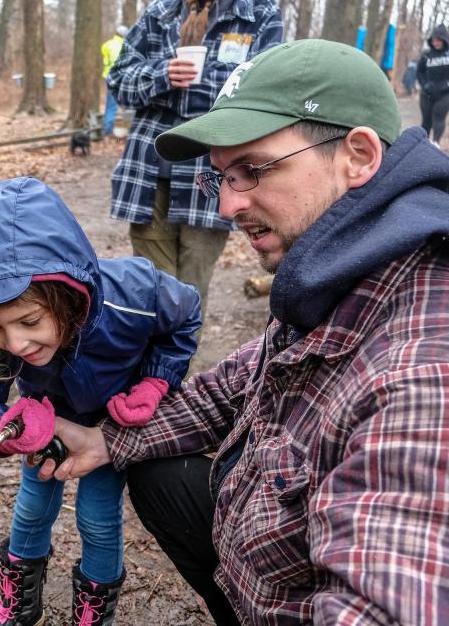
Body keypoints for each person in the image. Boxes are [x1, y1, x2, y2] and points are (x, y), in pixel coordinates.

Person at [41, 39, 449, 624]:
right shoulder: (344, 268)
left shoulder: (421, 369)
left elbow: (390, 589)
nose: (228, 205)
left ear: (357, 155)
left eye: (252, 170)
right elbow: (236, 384)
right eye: (222, 177)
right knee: (157, 475)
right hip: (267, 551)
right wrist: (106, 441)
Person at [0, 177, 202, 625]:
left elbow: (185, 316)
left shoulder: (133, 293)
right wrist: (10, 431)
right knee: (30, 509)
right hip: (46, 427)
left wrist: (154, 385)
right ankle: (20, 601)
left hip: (113, 426)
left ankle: (94, 611)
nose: (17, 343)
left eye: (29, 321)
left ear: (66, 295)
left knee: (98, 517)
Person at [108, 0, 282, 326]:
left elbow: (269, 88)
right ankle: (146, 377)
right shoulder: (162, 12)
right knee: (151, 292)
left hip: (211, 175)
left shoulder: (258, 11)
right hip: (149, 172)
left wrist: (206, 84)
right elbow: (118, 81)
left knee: (187, 295)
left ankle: (174, 377)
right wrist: (161, 75)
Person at [417, 24, 449, 145]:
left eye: (438, 40)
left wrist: (446, 84)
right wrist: (424, 84)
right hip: (427, 93)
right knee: (426, 119)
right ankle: (423, 143)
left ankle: (435, 142)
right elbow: (419, 72)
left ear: (444, 39)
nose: (435, 43)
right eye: (433, 40)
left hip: (445, 94)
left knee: (438, 116)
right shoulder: (426, 54)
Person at [101, 25, 130, 136]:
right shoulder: (126, 45)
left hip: (109, 78)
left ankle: (107, 130)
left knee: (111, 105)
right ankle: (123, 131)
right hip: (123, 78)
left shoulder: (107, 44)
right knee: (128, 103)